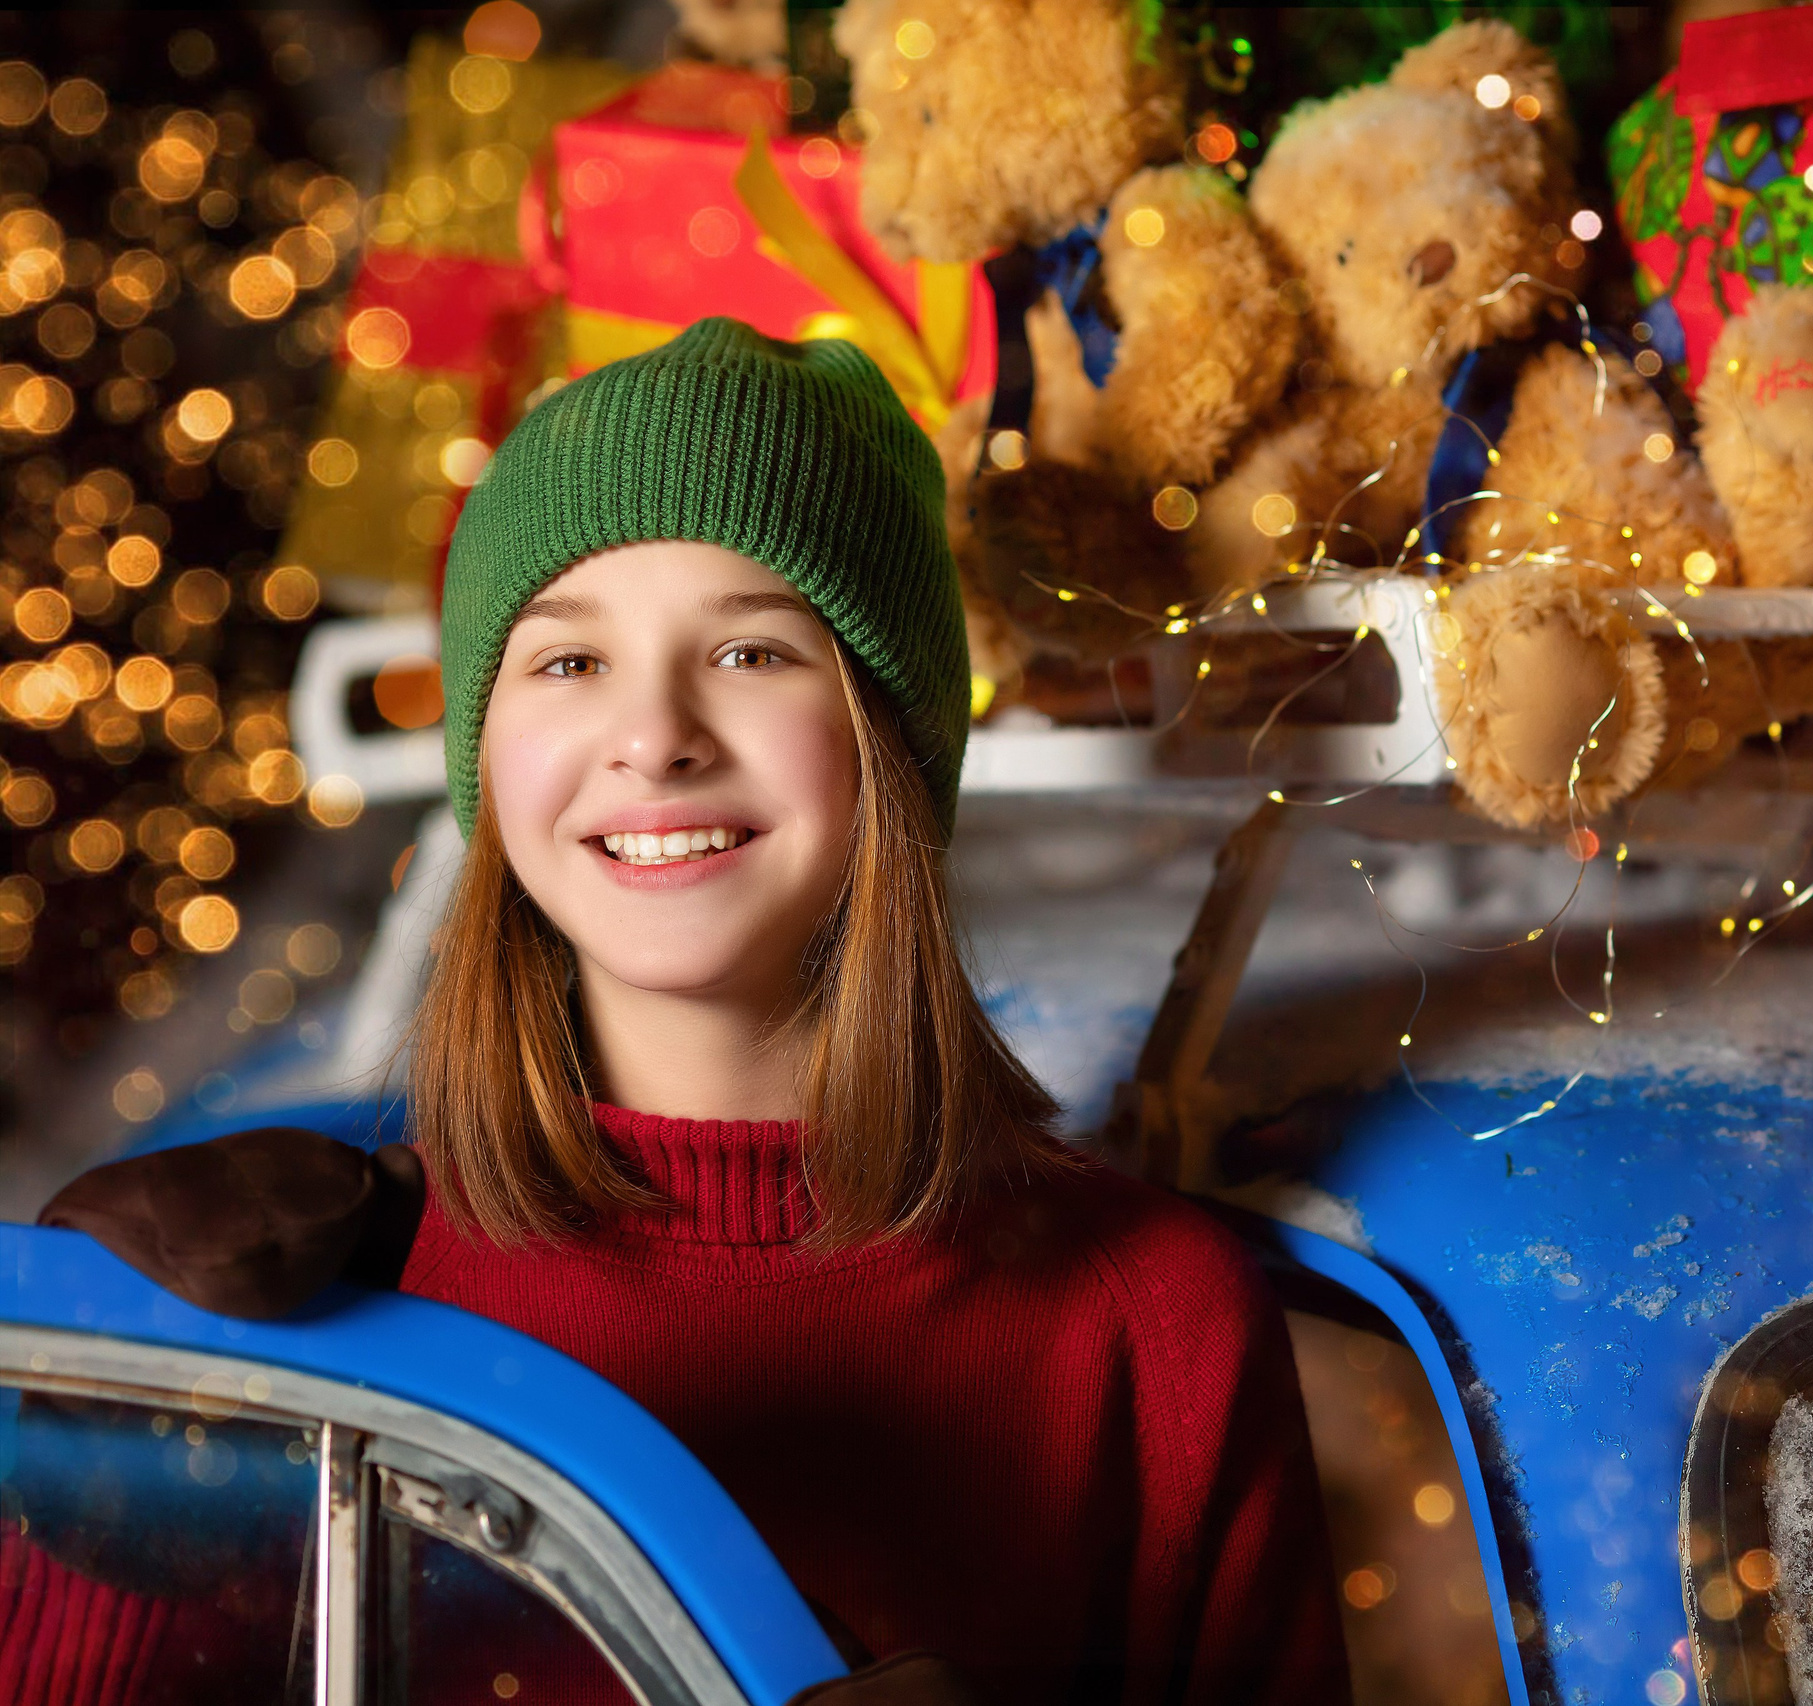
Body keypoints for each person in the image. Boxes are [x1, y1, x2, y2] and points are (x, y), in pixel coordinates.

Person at [34, 320, 1352, 1705]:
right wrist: (98, 1471)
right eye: (566, 661)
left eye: (749, 653)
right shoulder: (318, 1283)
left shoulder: (1152, 1320)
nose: (654, 733)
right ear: (486, 750)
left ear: (885, 739)